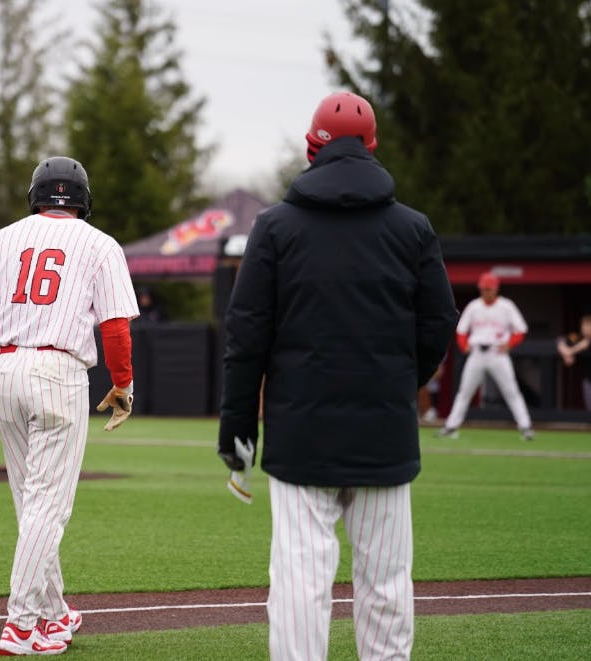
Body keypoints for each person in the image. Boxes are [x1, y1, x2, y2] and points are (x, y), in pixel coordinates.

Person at [217, 91, 457, 661]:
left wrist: (236, 423)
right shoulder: (414, 229)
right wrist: (402, 381)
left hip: (302, 436)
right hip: (385, 431)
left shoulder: (274, 228)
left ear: (311, 149)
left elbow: (246, 334)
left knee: (300, 580)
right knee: (387, 582)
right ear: (373, 147)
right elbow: (440, 321)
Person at [0, 156, 138, 656]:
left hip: (6, 370)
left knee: (30, 503)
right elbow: (116, 327)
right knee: (47, 507)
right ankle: (20, 625)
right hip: (59, 375)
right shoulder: (100, 245)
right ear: (84, 199)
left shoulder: (2, 238)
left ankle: (55, 615)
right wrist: (122, 384)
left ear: (34, 195)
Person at [438, 272, 534, 440]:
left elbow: (521, 329)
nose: (486, 292)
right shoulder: (474, 306)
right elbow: (461, 330)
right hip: (477, 353)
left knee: (511, 391)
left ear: (496, 289)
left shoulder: (506, 306)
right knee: (465, 392)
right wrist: (464, 345)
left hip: (497, 353)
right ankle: (451, 427)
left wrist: (509, 344)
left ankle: (525, 427)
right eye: (483, 289)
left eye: (489, 289)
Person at [556, 313, 591, 410]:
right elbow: (560, 339)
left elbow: (586, 343)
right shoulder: (578, 337)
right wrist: (565, 353)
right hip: (588, 379)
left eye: (589, 325)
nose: (586, 328)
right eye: (584, 325)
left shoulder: (586, 341)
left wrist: (570, 351)